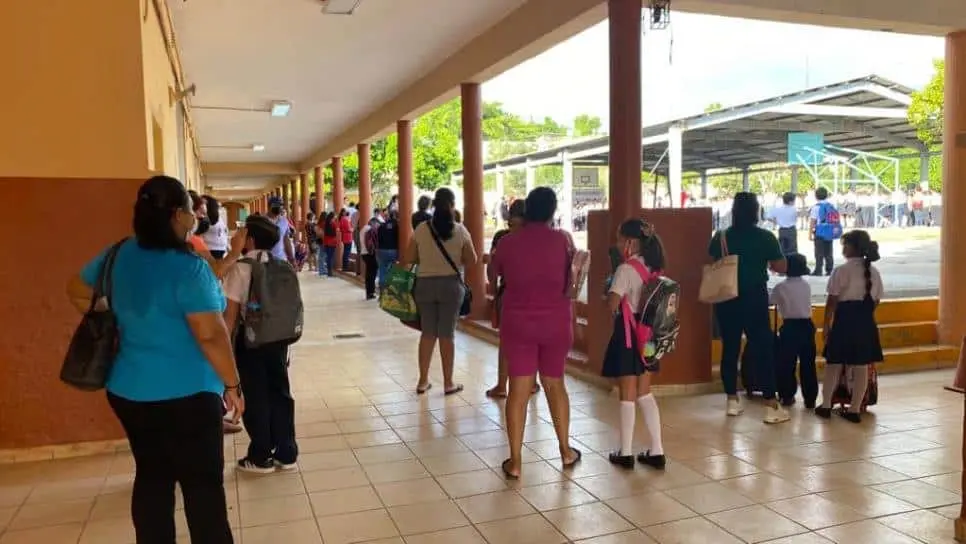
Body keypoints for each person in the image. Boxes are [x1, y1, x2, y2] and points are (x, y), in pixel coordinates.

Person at [65, 176, 241, 543]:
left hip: (130, 392)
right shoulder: (189, 267)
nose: (195, 218)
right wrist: (233, 385)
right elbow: (210, 335)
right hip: (190, 396)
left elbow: (76, 289)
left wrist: (118, 308)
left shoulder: (117, 253)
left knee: (152, 478)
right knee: (202, 487)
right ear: (178, 215)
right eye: (192, 211)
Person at [488, 187, 581, 480]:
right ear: (553, 211)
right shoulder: (564, 242)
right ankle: (566, 451)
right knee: (556, 385)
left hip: (518, 325)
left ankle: (515, 461)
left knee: (518, 392)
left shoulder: (508, 243)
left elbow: (493, 279)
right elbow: (574, 278)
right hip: (556, 323)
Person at [223, 215, 299, 472]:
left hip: (251, 342)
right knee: (280, 393)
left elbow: (230, 317)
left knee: (256, 396)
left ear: (250, 239)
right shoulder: (281, 264)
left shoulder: (240, 267)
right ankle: (287, 452)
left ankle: (260, 455)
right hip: (279, 340)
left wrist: (226, 350)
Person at [709, 192, 789, 423]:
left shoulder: (721, 236)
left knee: (730, 348)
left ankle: (732, 400)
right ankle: (770, 404)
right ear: (756, 211)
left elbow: (711, 262)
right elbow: (780, 266)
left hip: (726, 298)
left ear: (734, 211)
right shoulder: (765, 237)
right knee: (762, 348)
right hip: (754, 297)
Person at [602, 219, 668, 471]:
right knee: (645, 392)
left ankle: (626, 452)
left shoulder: (625, 270)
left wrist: (607, 290)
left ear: (630, 242)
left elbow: (612, 304)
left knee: (627, 393)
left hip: (629, 334)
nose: (618, 244)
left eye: (620, 239)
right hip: (650, 336)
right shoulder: (655, 266)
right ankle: (657, 450)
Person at [404, 188, 478, 395]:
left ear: (434, 206)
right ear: (452, 205)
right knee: (447, 334)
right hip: (450, 286)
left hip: (425, 285)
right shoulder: (460, 230)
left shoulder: (421, 229)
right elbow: (472, 259)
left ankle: (422, 380)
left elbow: (410, 257)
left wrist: (428, 259)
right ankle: (448, 382)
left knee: (428, 333)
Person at [816, 230, 883, 423]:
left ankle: (826, 405)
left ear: (853, 247)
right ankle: (854, 409)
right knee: (861, 365)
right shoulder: (874, 272)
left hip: (844, 322)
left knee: (834, 364)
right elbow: (876, 300)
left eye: (845, 245)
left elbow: (832, 300)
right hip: (865, 322)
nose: (843, 248)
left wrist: (826, 323)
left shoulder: (842, 271)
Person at [485, 200, 539, 398]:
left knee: (511, 342)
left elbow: (492, 275)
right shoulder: (538, 240)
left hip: (514, 296)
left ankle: (506, 384)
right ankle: (524, 383)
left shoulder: (503, 239)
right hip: (527, 297)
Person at [771, 253, 818, 408]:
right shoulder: (806, 285)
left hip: (790, 327)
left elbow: (770, 301)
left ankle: (787, 395)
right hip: (807, 326)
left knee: (786, 363)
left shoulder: (781, 287)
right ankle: (810, 398)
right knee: (808, 364)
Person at [810, 187, 840, 276]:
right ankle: (829, 269)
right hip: (830, 230)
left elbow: (813, 221)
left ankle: (818, 270)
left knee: (819, 252)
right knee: (829, 251)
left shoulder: (816, 207)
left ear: (816, 196)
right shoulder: (831, 206)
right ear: (827, 195)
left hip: (819, 231)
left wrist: (810, 233)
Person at [266, 196, 296, 266]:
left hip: (281, 259)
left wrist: (292, 258)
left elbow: (286, 240)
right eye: (276, 205)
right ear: (269, 206)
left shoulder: (284, 221)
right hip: (266, 260)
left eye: (281, 205)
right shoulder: (262, 221)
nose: (279, 207)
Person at [376, 210, 400, 291]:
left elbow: (378, 239)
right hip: (393, 250)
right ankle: (391, 287)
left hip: (382, 250)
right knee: (393, 268)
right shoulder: (397, 226)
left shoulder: (381, 226)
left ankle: (382, 287)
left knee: (382, 268)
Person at [360, 216, 380, 300]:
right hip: (369, 253)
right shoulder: (369, 229)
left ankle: (368, 292)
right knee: (372, 273)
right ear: (373, 222)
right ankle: (371, 292)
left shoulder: (363, 228)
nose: (377, 227)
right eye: (377, 225)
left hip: (363, 253)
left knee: (369, 274)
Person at [317, 212, 338, 278]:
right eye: (335, 216)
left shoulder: (325, 224)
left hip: (325, 242)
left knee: (327, 257)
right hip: (332, 242)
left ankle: (327, 271)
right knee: (330, 257)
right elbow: (336, 233)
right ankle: (329, 271)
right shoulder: (333, 224)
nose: (335, 217)